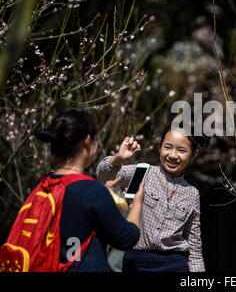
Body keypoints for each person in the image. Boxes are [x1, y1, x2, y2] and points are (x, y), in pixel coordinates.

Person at [33, 109, 144, 271]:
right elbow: (127, 238)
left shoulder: (43, 183)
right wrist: (137, 205)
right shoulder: (91, 190)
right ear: (87, 141)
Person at [96, 122, 209, 272]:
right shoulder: (142, 172)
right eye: (167, 147)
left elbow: (194, 245)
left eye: (181, 150)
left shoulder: (192, 193)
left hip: (174, 264)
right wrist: (118, 158)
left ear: (193, 154)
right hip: (136, 262)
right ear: (159, 146)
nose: (173, 155)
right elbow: (102, 175)